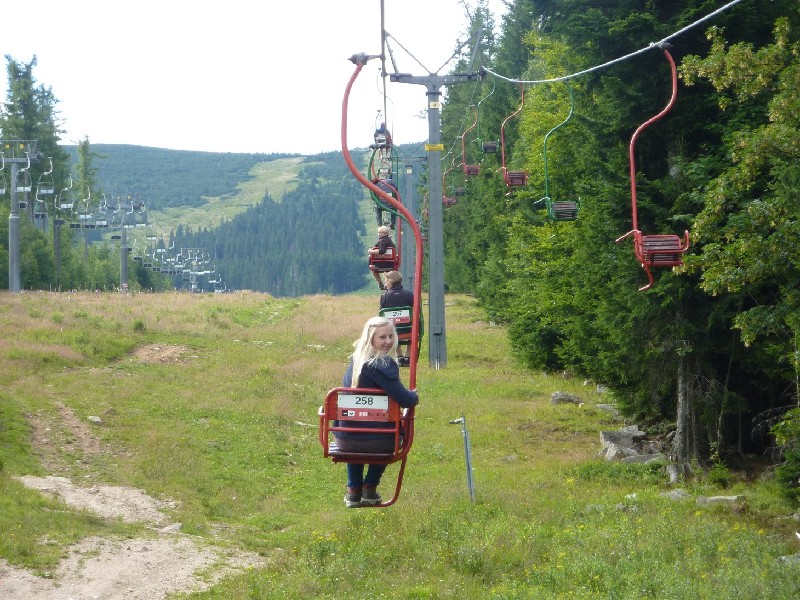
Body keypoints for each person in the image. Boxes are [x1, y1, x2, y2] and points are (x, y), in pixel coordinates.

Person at [334, 316, 419, 507]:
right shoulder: (382, 365)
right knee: (388, 434)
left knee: (356, 426)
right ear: (370, 339)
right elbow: (405, 399)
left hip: (345, 440)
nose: (388, 341)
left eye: (391, 336)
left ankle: (353, 491)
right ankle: (369, 487)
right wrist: (414, 396)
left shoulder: (355, 362)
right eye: (382, 337)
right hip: (379, 441)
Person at [380, 271, 415, 366]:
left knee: (392, 324)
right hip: (409, 331)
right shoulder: (409, 294)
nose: (385, 284)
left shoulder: (384, 297)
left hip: (392, 332)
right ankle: (408, 356)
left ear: (390, 281)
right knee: (411, 324)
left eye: (386, 281)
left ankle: (399, 356)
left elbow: (382, 316)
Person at [368, 225, 395, 290]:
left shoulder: (382, 241)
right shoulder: (388, 240)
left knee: (374, 270)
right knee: (386, 272)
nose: (379, 234)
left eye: (380, 233)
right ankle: (386, 284)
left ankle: (380, 283)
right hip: (390, 263)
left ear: (385, 234)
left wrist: (371, 251)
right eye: (378, 232)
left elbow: (382, 251)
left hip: (382, 263)